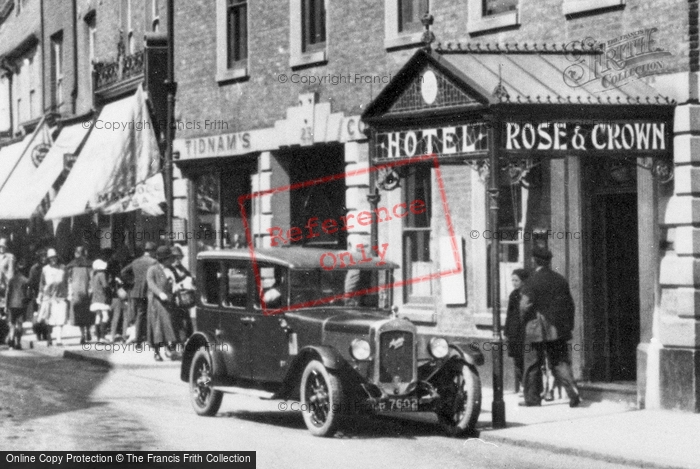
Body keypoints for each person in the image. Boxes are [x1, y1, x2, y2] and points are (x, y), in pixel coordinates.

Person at [520, 246, 581, 408]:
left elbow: (524, 306)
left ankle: (532, 399)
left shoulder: (531, 281)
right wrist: (567, 326)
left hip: (535, 330)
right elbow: (570, 305)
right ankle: (573, 392)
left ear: (534, 261)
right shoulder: (560, 280)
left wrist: (523, 321)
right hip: (557, 330)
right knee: (560, 362)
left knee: (532, 364)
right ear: (548, 261)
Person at [121, 241, 157, 345]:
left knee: (138, 315)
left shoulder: (136, 261)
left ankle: (137, 339)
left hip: (135, 291)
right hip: (147, 291)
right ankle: (147, 340)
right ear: (152, 252)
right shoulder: (153, 262)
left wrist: (131, 281)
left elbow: (123, 272)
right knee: (148, 314)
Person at [146, 246, 178, 361]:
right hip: (157, 302)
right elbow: (151, 284)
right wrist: (160, 293)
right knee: (157, 326)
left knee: (168, 325)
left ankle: (168, 349)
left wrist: (176, 287)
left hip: (169, 301)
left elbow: (176, 281)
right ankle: (156, 351)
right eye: (169, 258)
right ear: (164, 259)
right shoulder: (153, 269)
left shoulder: (171, 269)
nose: (171, 261)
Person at [504, 268, 529, 394]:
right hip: (514, 333)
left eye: (516, 280)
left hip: (525, 332)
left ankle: (528, 386)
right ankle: (522, 385)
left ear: (523, 281)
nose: (514, 283)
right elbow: (509, 314)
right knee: (517, 360)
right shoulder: (513, 295)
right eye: (512, 280)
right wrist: (506, 332)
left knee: (527, 360)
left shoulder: (528, 294)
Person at [37, 249, 68, 346]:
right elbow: (41, 284)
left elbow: (67, 281)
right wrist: (40, 296)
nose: (53, 259)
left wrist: (69, 293)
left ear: (57, 257)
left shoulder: (63, 268)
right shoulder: (45, 269)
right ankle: (49, 338)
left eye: (54, 257)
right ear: (48, 259)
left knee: (60, 319)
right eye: (51, 258)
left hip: (60, 297)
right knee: (49, 320)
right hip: (49, 298)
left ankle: (59, 340)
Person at [168, 245, 194, 345]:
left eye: (179, 257)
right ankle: (176, 343)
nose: (178, 260)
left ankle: (184, 340)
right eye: (175, 258)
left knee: (186, 321)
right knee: (176, 322)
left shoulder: (182, 268)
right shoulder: (169, 269)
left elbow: (188, 276)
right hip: (174, 300)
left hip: (183, 299)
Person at [66, 246, 93, 344]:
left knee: (79, 316)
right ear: (84, 253)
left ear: (76, 253)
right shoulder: (89, 265)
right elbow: (92, 279)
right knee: (88, 314)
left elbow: (68, 280)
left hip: (76, 293)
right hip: (87, 292)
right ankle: (88, 330)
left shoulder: (71, 266)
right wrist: (90, 290)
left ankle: (82, 335)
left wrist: (69, 293)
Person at [5, 259, 30, 349]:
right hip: (21, 305)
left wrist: (6, 305)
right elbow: (29, 294)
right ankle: (18, 343)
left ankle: (11, 342)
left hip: (11, 305)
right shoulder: (26, 281)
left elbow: (8, 293)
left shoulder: (11, 280)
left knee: (12, 324)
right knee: (19, 324)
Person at [28, 249, 48, 341]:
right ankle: (38, 333)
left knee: (46, 316)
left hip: (47, 294)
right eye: (42, 257)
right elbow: (31, 283)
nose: (44, 258)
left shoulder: (49, 267)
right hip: (36, 295)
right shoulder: (34, 268)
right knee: (37, 315)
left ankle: (45, 333)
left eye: (45, 256)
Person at [90, 259, 111, 343]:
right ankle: (102, 336)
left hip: (95, 298)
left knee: (98, 316)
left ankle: (98, 337)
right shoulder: (102, 274)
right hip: (102, 297)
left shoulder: (94, 275)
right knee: (105, 316)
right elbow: (105, 286)